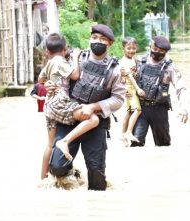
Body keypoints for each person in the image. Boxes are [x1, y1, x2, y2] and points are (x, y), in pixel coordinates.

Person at [47, 24, 125, 190]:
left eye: (103, 39)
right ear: (90, 39)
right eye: (95, 38)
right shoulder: (75, 59)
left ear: (110, 43)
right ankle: (72, 174)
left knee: (97, 179)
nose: (98, 41)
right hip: (70, 118)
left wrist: (94, 106)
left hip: (95, 122)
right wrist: (50, 86)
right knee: (57, 168)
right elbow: (59, 82)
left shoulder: (115, 70)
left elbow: (118, 99)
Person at [39, 32, 88, 180]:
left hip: (49, 104)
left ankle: (43, 178)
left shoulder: (49, 63)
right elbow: (75, 76)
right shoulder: (60, 60)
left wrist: (49, 82)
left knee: (49, 145)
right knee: (90, 117)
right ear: (65, 49)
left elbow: (40, 79)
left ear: (47, 52)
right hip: (60, 101)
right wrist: (74, 58)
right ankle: (65, 142)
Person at [130, 36, 189, 147]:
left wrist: (184, 108)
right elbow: (125, 81)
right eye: (155, 49)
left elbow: (181, 88)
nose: (157, 52)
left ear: (166, 52)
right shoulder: (138, 61)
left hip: (159, 109)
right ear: (151, 47)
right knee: (135, 143)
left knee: (163, 145)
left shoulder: (170, 67)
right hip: (140, 109)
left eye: (161, 51)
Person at [119, 37, 145, 146]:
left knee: (129, 111)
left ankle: (122, 134)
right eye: (128, 48)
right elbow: (130, 77)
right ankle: (129, 132)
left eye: (133, 48)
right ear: (123, 48)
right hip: (130, 88)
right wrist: (138, 89)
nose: (131, 50)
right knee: (138, 110)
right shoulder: (123, 62)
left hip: (128, 88)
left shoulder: (134, 59)